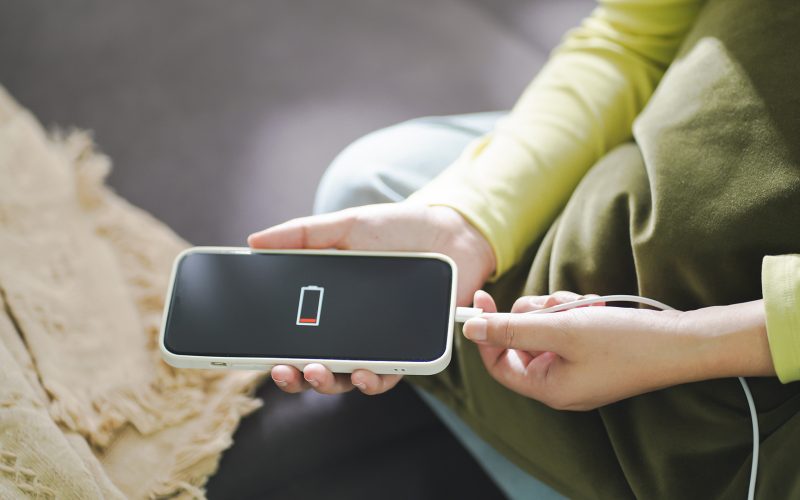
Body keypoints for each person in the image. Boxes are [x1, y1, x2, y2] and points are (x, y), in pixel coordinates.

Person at [246, 0, 800, 497]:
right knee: (369, 185)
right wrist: (468, 221)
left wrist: (693, 343)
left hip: (759, 378)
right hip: (613, 207)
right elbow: (635, 39)